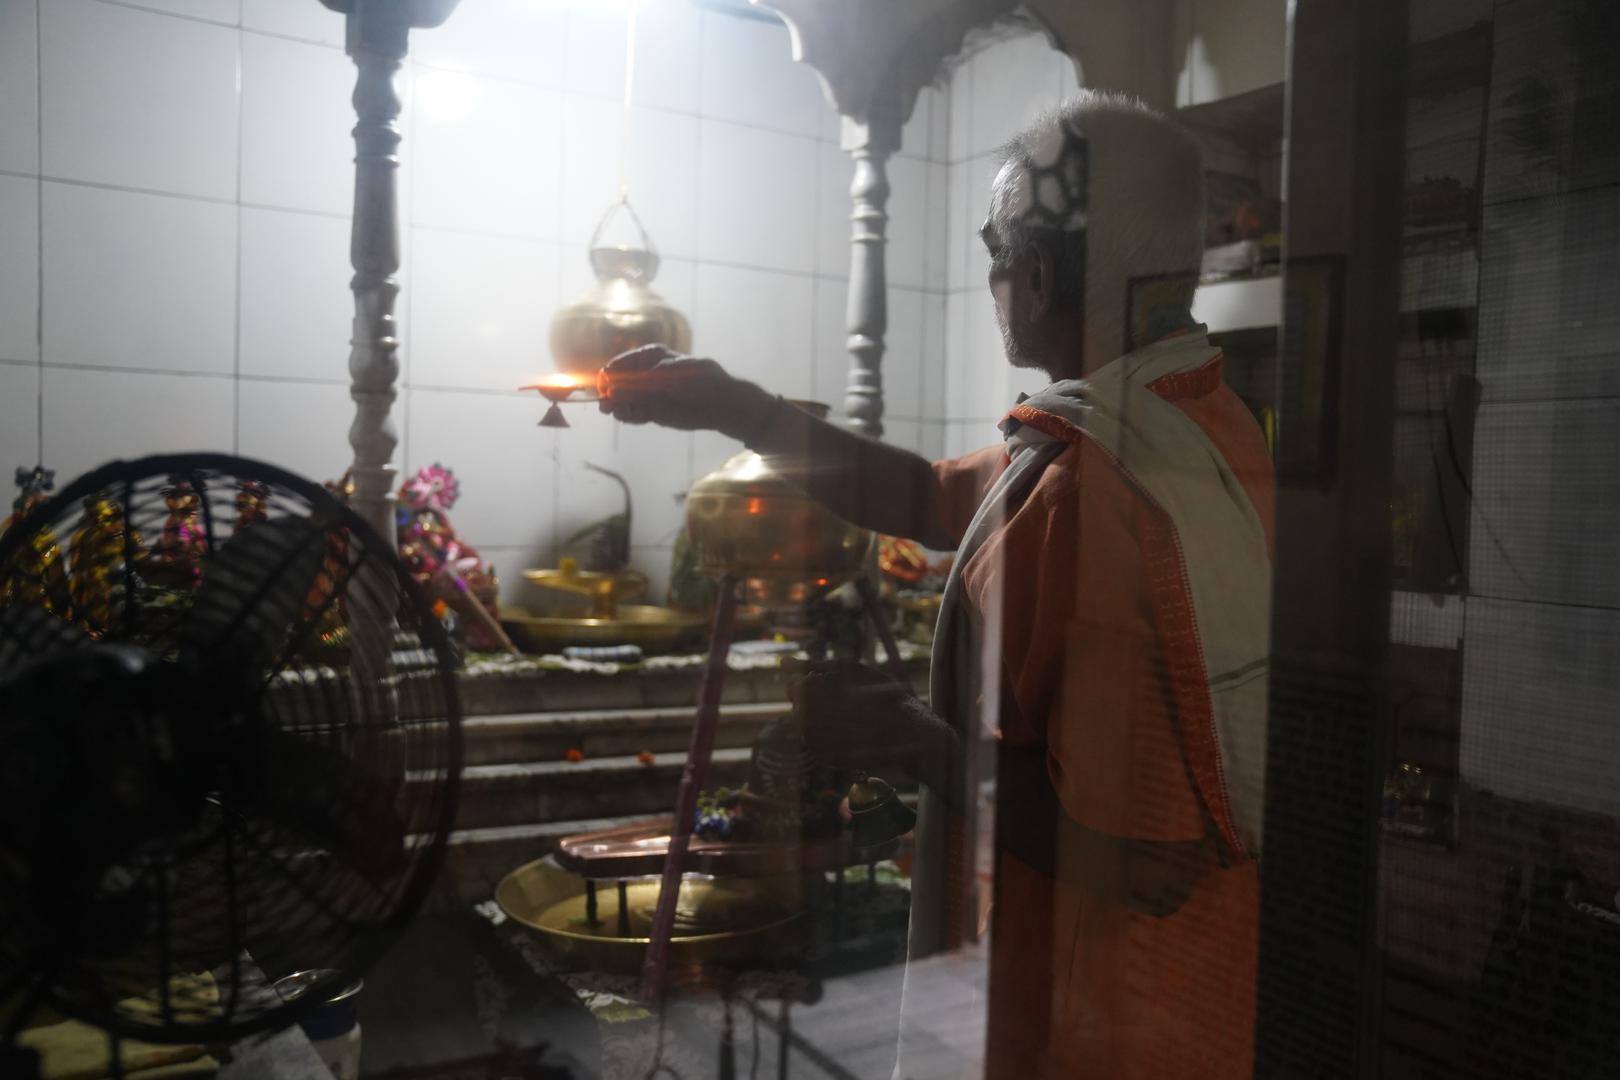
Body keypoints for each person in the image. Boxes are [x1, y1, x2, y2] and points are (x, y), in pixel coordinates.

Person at [600, 91, 1273, 1080]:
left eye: (995, 252)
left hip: (1101, 1016)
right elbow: (922, 495)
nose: (994, 278)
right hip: (1179, 990)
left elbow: (1144, 863)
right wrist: (735, 408)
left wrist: (907, 738)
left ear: (1033, 277)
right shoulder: (1203, 426)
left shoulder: (1098, 484)